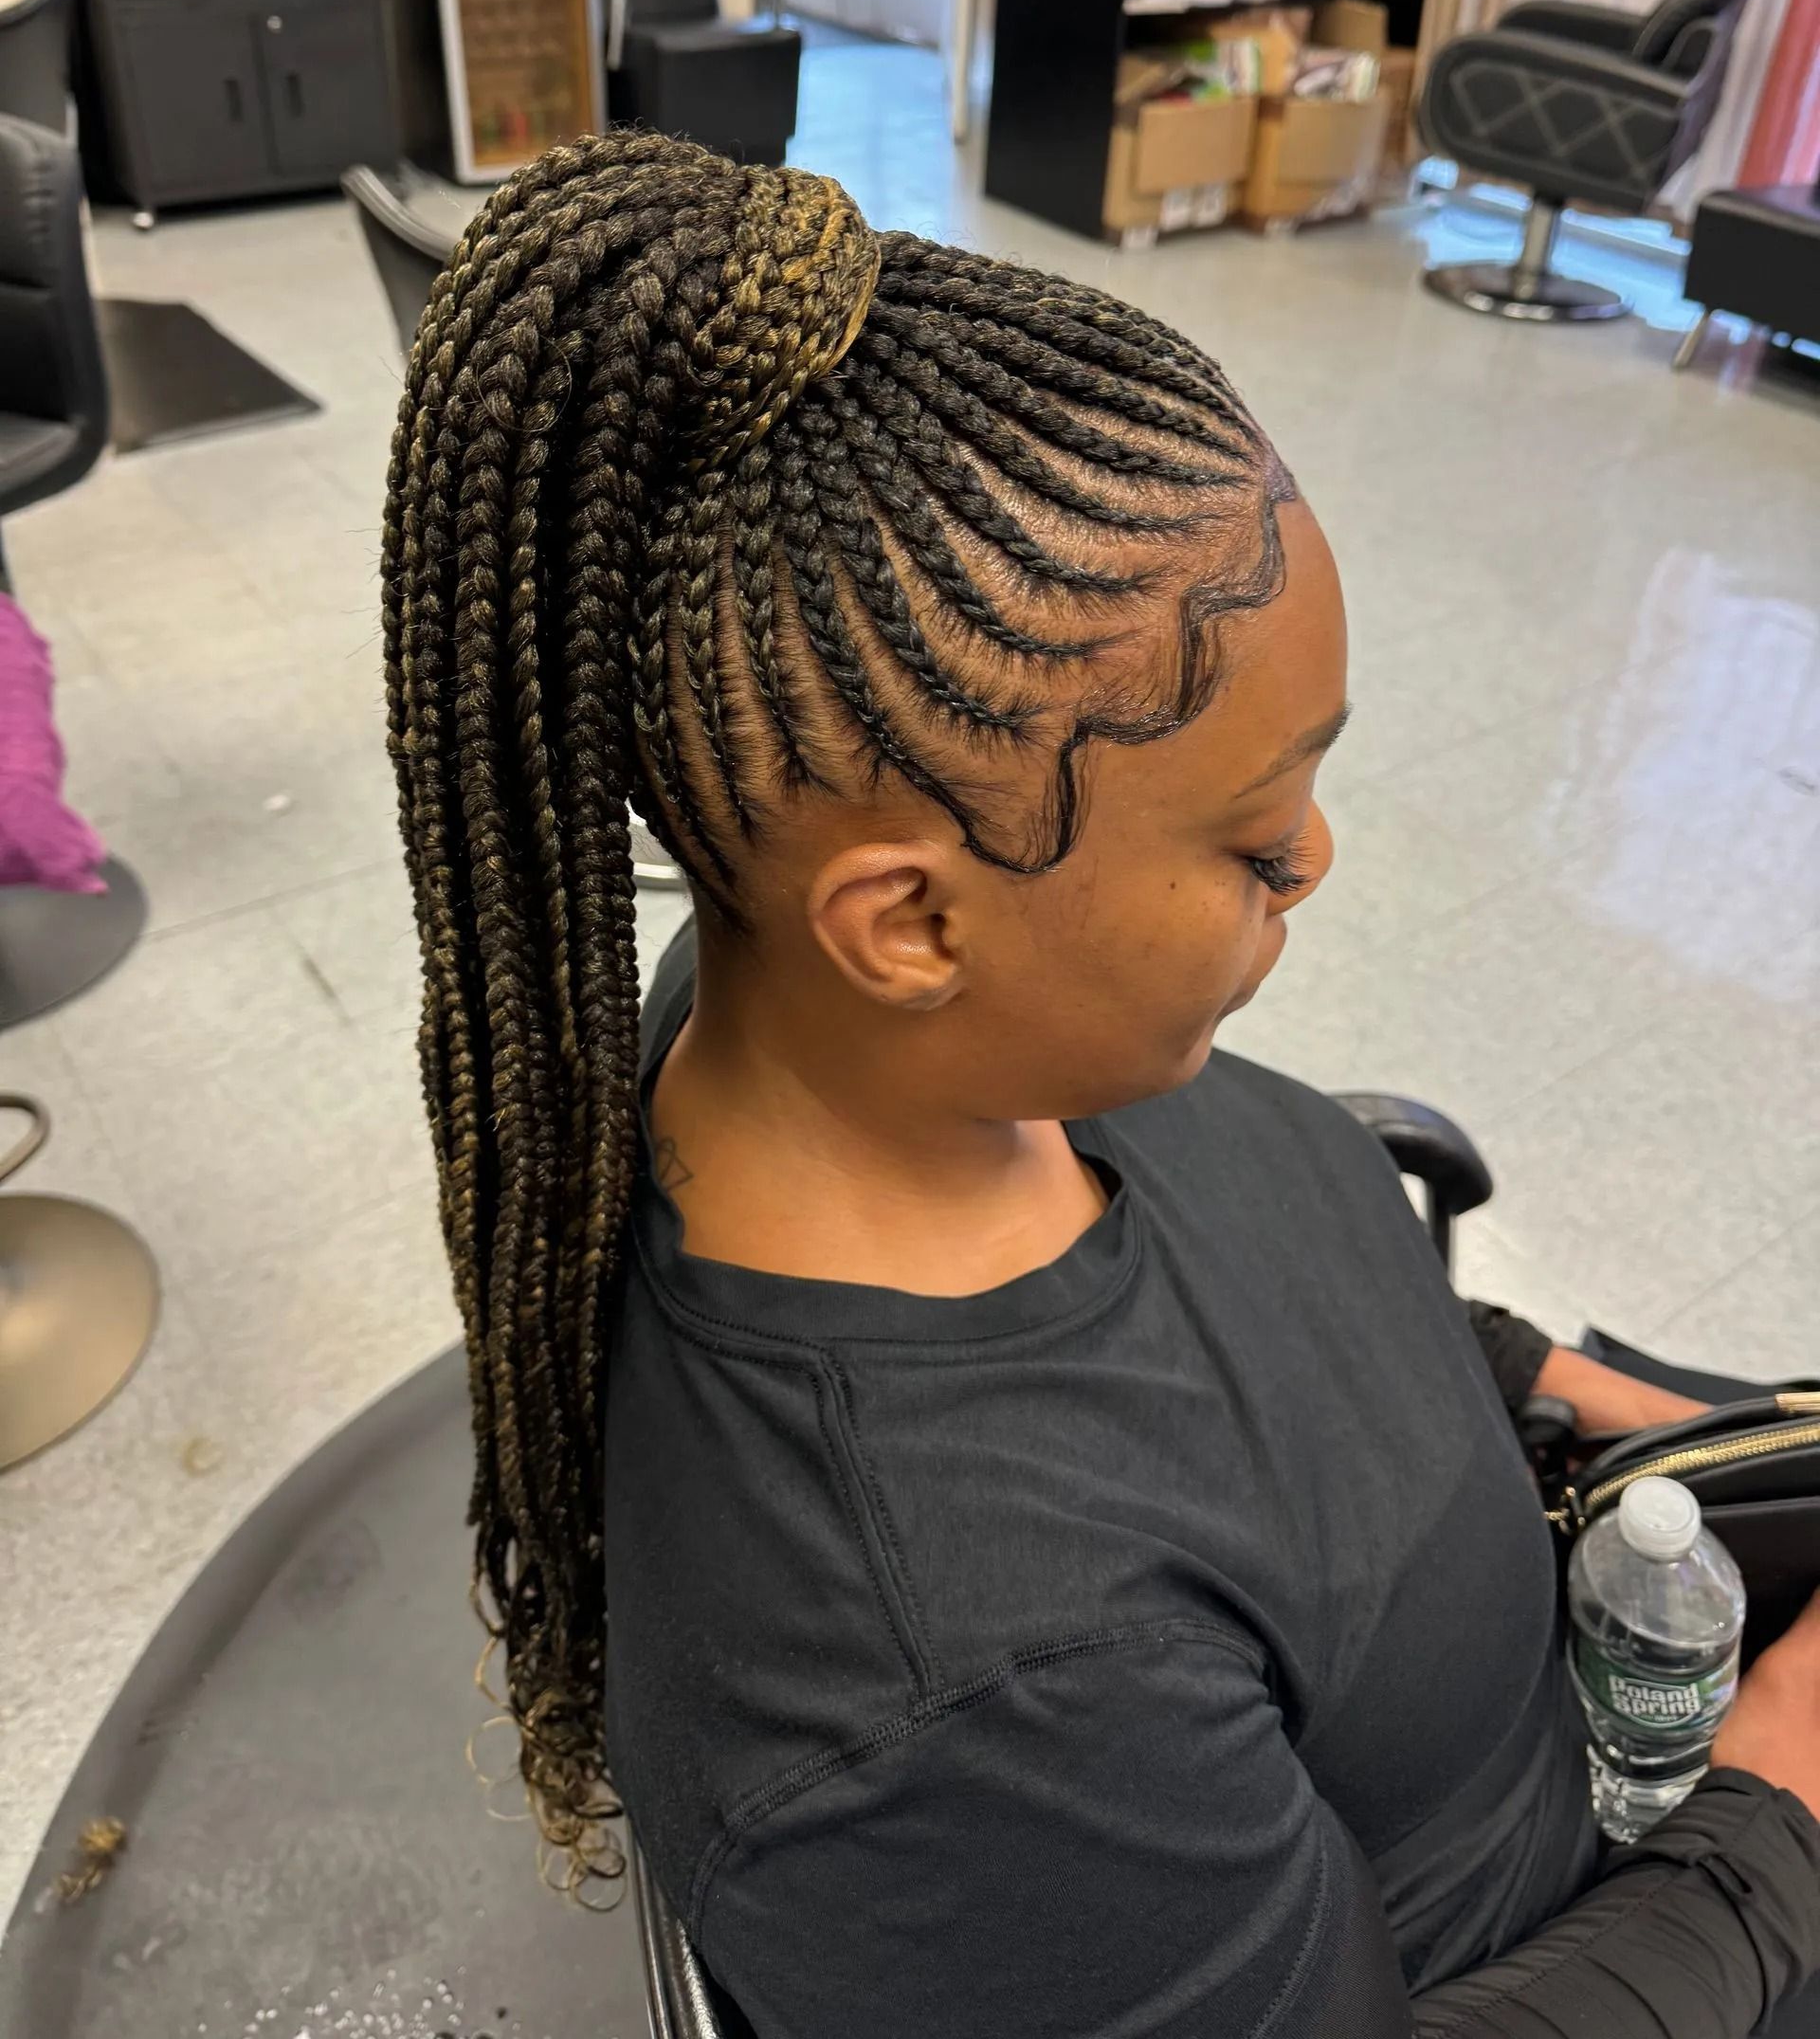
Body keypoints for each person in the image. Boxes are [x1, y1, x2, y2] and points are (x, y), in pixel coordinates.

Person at [382, 132, 1820, 2037]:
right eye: (1247, 834)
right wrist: (1777, 1809)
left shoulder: (867, 1040)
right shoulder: (955, 1690)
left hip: (1579, 1540)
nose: (1314, 857)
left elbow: (1258, 1300)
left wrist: (1558, 1390)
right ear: (906, 922)